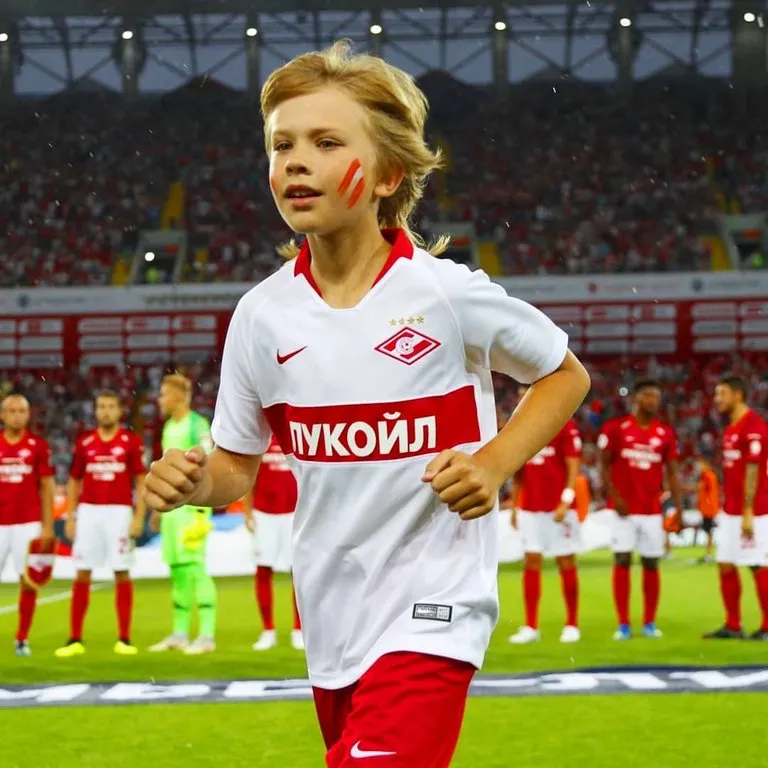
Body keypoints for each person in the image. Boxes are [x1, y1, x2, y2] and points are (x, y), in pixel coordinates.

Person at [143, 41, 590, 767]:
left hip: (436, 606)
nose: (296, 161)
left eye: (326, 143)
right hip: (331, 612)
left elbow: (564, 374)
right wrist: (195, 482)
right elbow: (236, 465)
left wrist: (492, 463)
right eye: (282, 144)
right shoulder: (262, 316)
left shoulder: (446, 295)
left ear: (388, 174)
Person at [55, 391, 146, 657]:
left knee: (122, 571)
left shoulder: (130, 442)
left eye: (110, 406)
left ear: (119, 411)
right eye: (101, 406)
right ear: (95, 411)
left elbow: (140, 480)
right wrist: (71, 516)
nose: (106, 411)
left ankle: (124, 638)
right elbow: (74, 480)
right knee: (82, 571)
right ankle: (74, 638)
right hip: (89, 512)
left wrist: (138, 516)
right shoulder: (85, 442)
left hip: (120, 512)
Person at [598, 378, 682, 640]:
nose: (653, 401)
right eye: (648, 395)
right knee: (622, 559)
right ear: (636, 398)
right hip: (623, 510)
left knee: (651, 563)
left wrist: (678, 508)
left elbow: (673, 472)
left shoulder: (665, 433)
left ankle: (649, 623)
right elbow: (603, 465)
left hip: (651, 510)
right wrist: (614, 496)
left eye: (656, 397)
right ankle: (623, 624)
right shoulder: (616, 428)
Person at [148, 373, 217, 655]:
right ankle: (180, 633)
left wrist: (201, 508)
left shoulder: (197, 424)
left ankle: (207, 635)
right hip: (173, 511)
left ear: (177, 397)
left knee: (195, 568)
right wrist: (159, 507)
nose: (160, 399)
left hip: (193, 509)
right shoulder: (168, 427)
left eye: (163, 394)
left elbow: (207, 465)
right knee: (177, 570)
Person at [508, 386, 582, 644]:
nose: (523, 401)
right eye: (520, 397)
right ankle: (531, 626)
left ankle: (572, 624)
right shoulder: (519, 428)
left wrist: (566, 500)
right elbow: (518, 472)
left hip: (559, 509)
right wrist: (515, 506)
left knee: (566, 561)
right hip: (531, 507)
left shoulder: (563, 423)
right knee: (531, 561)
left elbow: (573, 465)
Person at [703, 376, 768, 640]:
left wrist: (748, 511)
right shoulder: (731, 428)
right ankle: (733, 625)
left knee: (758, 564)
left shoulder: (754, 427)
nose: (717, 399)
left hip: (753, 511)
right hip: (731, 511)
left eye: (722, 394)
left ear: (738, 395)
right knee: (725, 563)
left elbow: (753, 471)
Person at [0, 394, 55, 656]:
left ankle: (22, 638)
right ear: (3, 415)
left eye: (21, 411)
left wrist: (48, 526)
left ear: (28, 414)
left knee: (29, 581)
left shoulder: (38, 446)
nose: (16, 415)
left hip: (28, 523)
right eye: (11, 411)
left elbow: (46, 487)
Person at [244, 435, 303, 651]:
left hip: (294, 512)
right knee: (262, 570)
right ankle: (268, 630)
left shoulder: (295, 434)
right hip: (264, 512)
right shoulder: (261, 437)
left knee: (298, 573)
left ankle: (299, 629)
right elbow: (248, 475)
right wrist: (247, 512)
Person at [697, 455, 720, 564]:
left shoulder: (708, 476)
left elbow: (703, 489)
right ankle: (708, 553)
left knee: (709, 531)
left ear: (706, 464)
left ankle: (708, 554)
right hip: (708, 508)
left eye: (701, 464)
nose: (699, 467)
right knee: (708, 531)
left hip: (709, 509)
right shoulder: (709, 476)